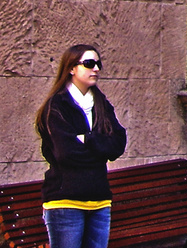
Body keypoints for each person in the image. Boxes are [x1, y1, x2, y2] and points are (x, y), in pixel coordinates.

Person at [36, 44, 127, 248]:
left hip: (99, 200)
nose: (96, 68)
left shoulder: (101, 103)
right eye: (88, 63)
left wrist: (88, 139)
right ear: (71, 68)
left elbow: (118, 144)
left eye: (98, 63)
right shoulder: (57, 106)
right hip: (65, 202)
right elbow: (66, 153)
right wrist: (100, 150)